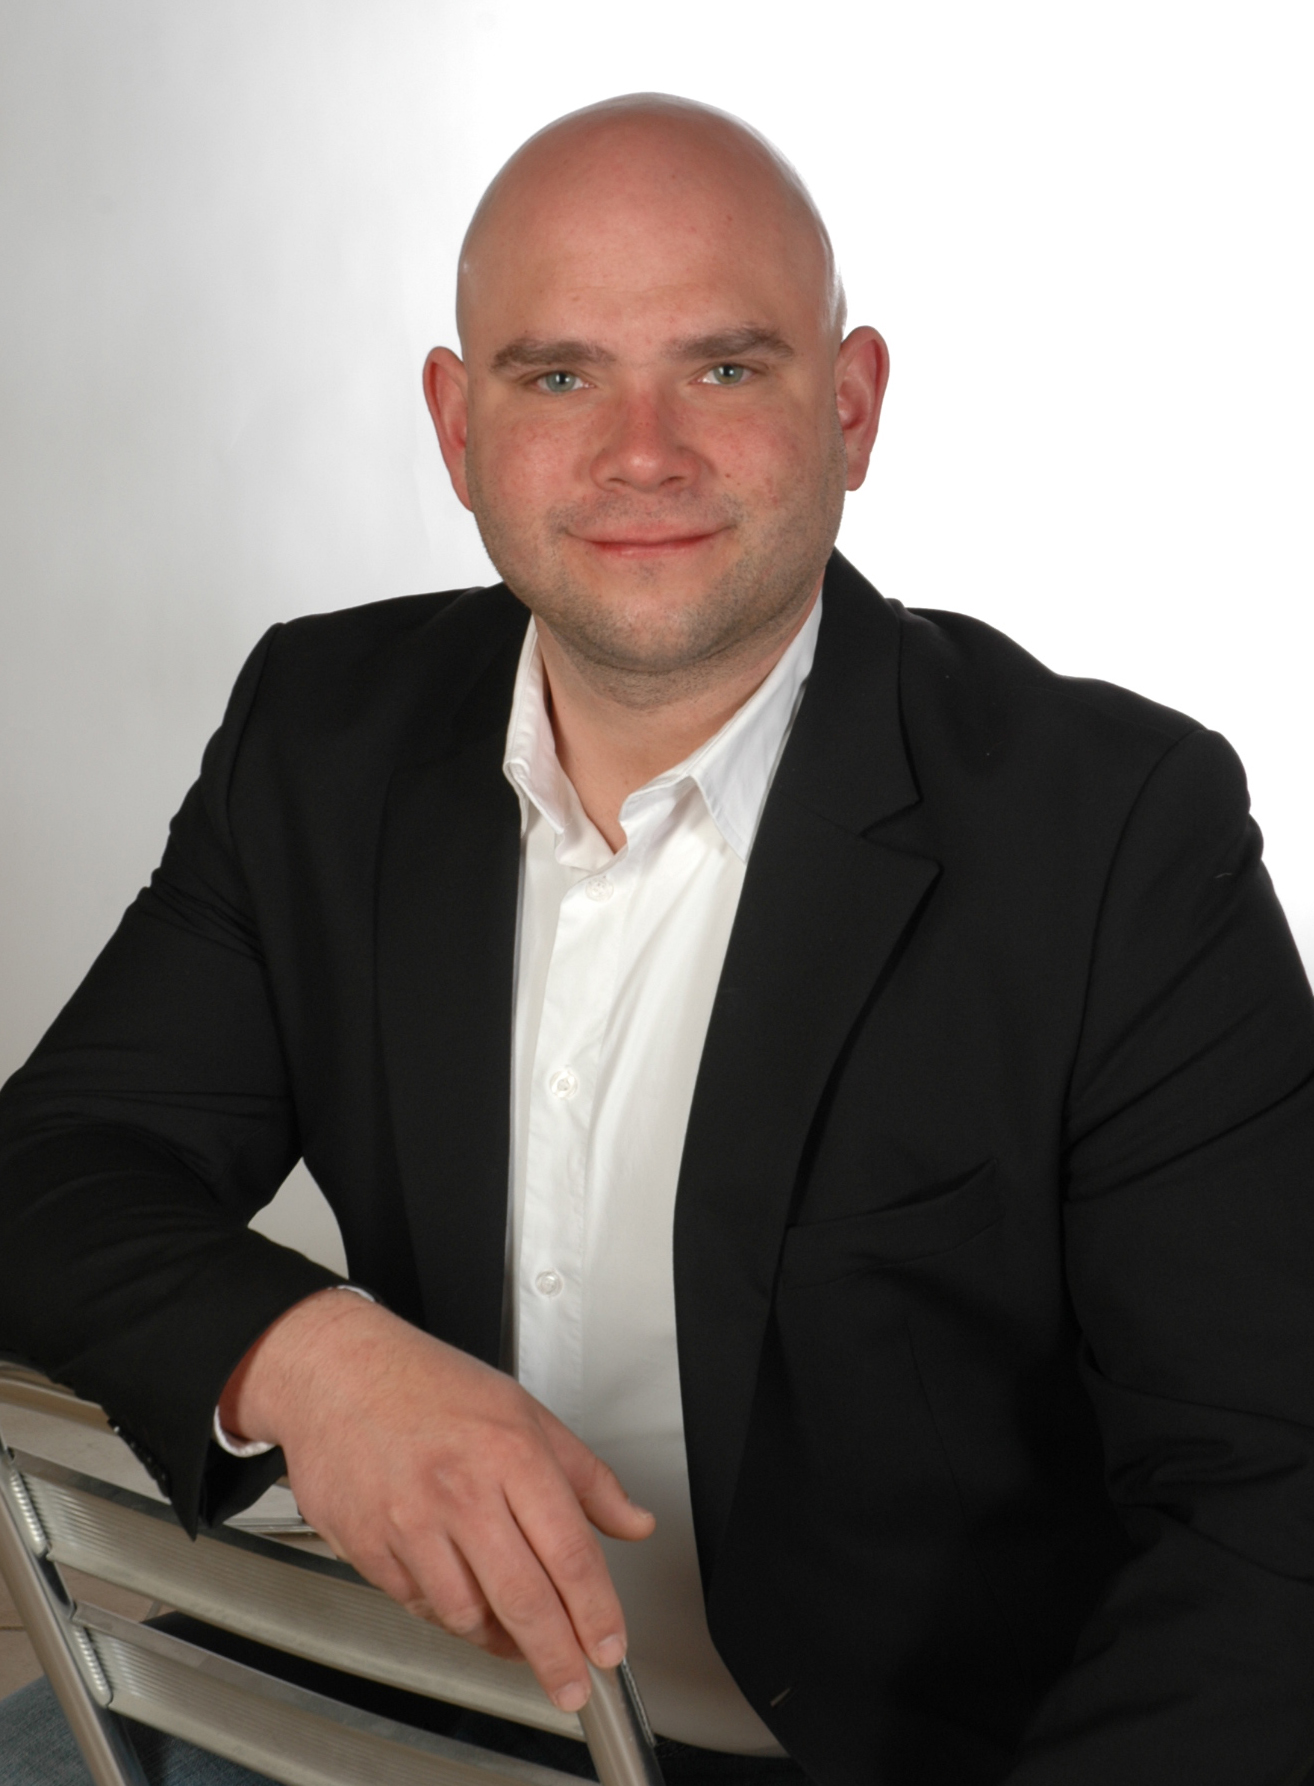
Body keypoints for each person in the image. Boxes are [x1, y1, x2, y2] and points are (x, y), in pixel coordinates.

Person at [2, 90, 1313, 1786]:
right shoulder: (323, 731)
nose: (641, 451)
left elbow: (1270, 1504)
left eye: (725, 367)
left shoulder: (1115, 831)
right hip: (407, 1688)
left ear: (849, 406)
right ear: (456, 426)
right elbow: (49, 1170)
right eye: (557, 377)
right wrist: (309, 1360)